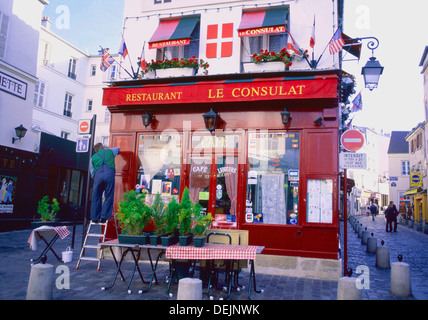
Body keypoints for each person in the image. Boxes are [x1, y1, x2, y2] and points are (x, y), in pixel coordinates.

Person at [90, 143, 120, 223]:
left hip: (98, 177)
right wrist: (107, 148)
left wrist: (96, 178)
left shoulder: (93, 157)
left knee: (96, 197)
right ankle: (104, 217)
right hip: (109, 176)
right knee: (109, 196)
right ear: (102, 147)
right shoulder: (110, 151)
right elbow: (118, 148)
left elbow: (92, 171)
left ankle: (95, 218)